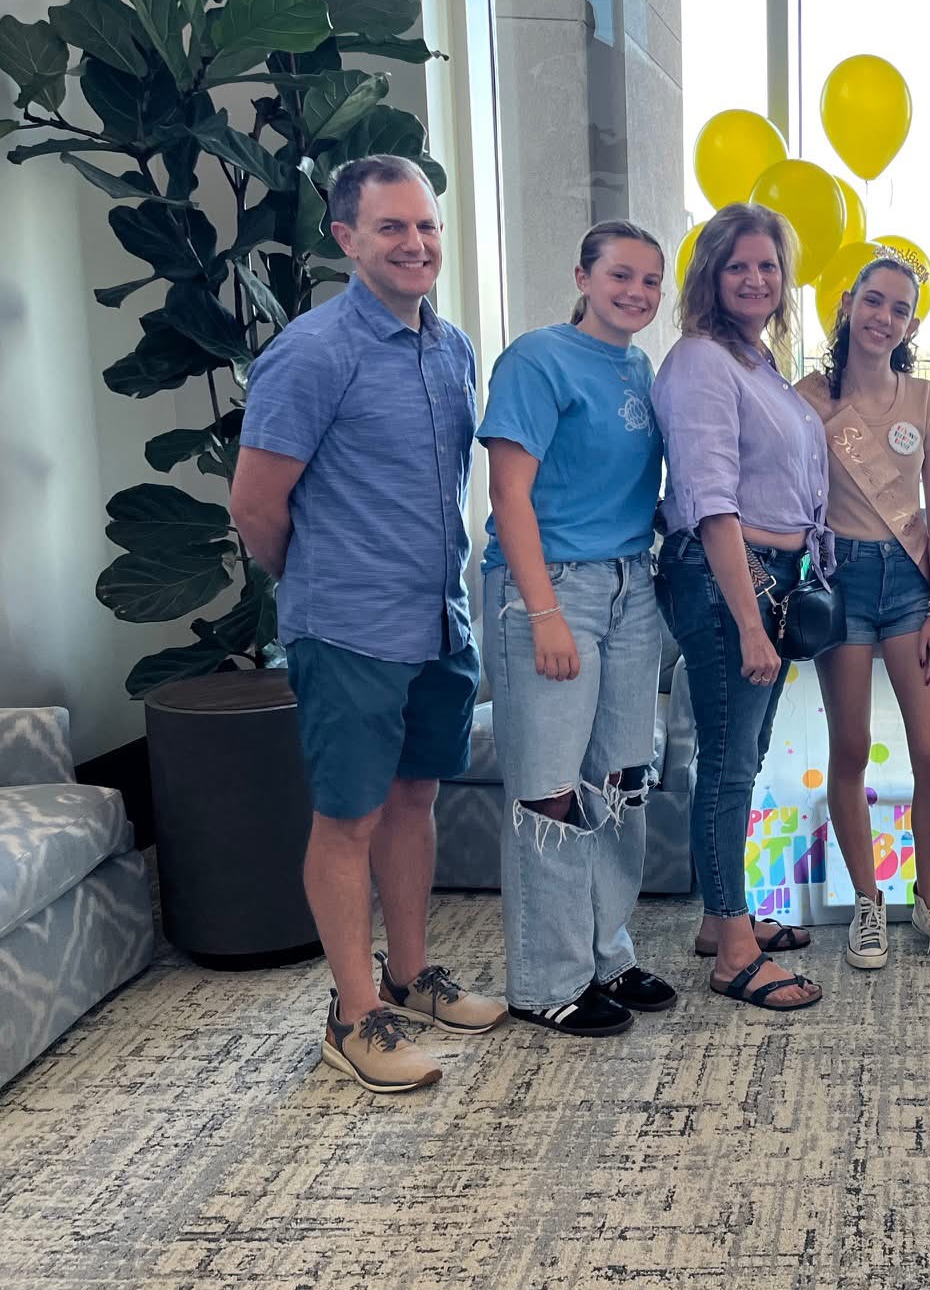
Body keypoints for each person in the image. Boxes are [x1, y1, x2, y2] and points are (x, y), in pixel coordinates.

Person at [233, 155, 505, 1093]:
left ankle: (410, 975)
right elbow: (255, 506)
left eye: (426, 226)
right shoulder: (311, 353)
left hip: (437, 620)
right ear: (346, 238)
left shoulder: (452, 348)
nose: (415, 243)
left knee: (415, 799)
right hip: (348, 627)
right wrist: (319, 581)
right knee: (347, 820)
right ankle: (353, 1017)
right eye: (393, 227)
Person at [478, 221, 677, 1037]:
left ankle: (606, 954)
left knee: (619, 780)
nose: (636, 292)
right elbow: (508, 495)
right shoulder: (537, 360)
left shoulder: (640, 368)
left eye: (650, 280)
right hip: (551, 587)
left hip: (632, 584)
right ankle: (547, 981)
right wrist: (545, 614)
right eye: (620, 275)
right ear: (583, 277)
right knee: (550, 790)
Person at [653, 203, 828, 1011]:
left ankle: (720, 917)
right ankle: (732, 953)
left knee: (741, 758)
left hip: (771, 575)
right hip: (729, 575)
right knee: (727, 763)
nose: (756, 279)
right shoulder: (700, 362)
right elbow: (708, 501)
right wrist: (752, 622)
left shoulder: (757, 363)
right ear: (711, 277)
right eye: (738, 266)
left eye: (768, 265)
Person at [796, 254, 930, 973]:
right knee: (851, 749)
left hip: (909, 586)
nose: (884, 318)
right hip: (840, 582)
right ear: (848, 304)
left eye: (899, 309)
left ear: (911, 324)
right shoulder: (808, 399)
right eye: (874, 301)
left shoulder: (925, 401)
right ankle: (867, 902)